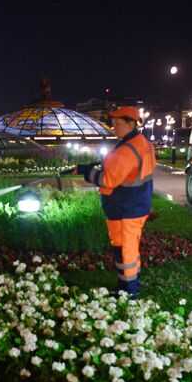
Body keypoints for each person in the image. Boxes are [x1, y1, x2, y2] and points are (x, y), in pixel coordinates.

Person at [73, 106, 156, 298]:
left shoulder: (128, 148)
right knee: (130, 248)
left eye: (118, 124)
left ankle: (128, 291)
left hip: (124, 208)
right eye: (113, 123)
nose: (114, 127)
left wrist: (88, 172)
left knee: (124, 250)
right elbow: (123, 170)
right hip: (136, 205)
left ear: (131, 124)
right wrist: (95, 166)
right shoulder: (141, 143)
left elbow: (108, 179)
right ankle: (131, 282)